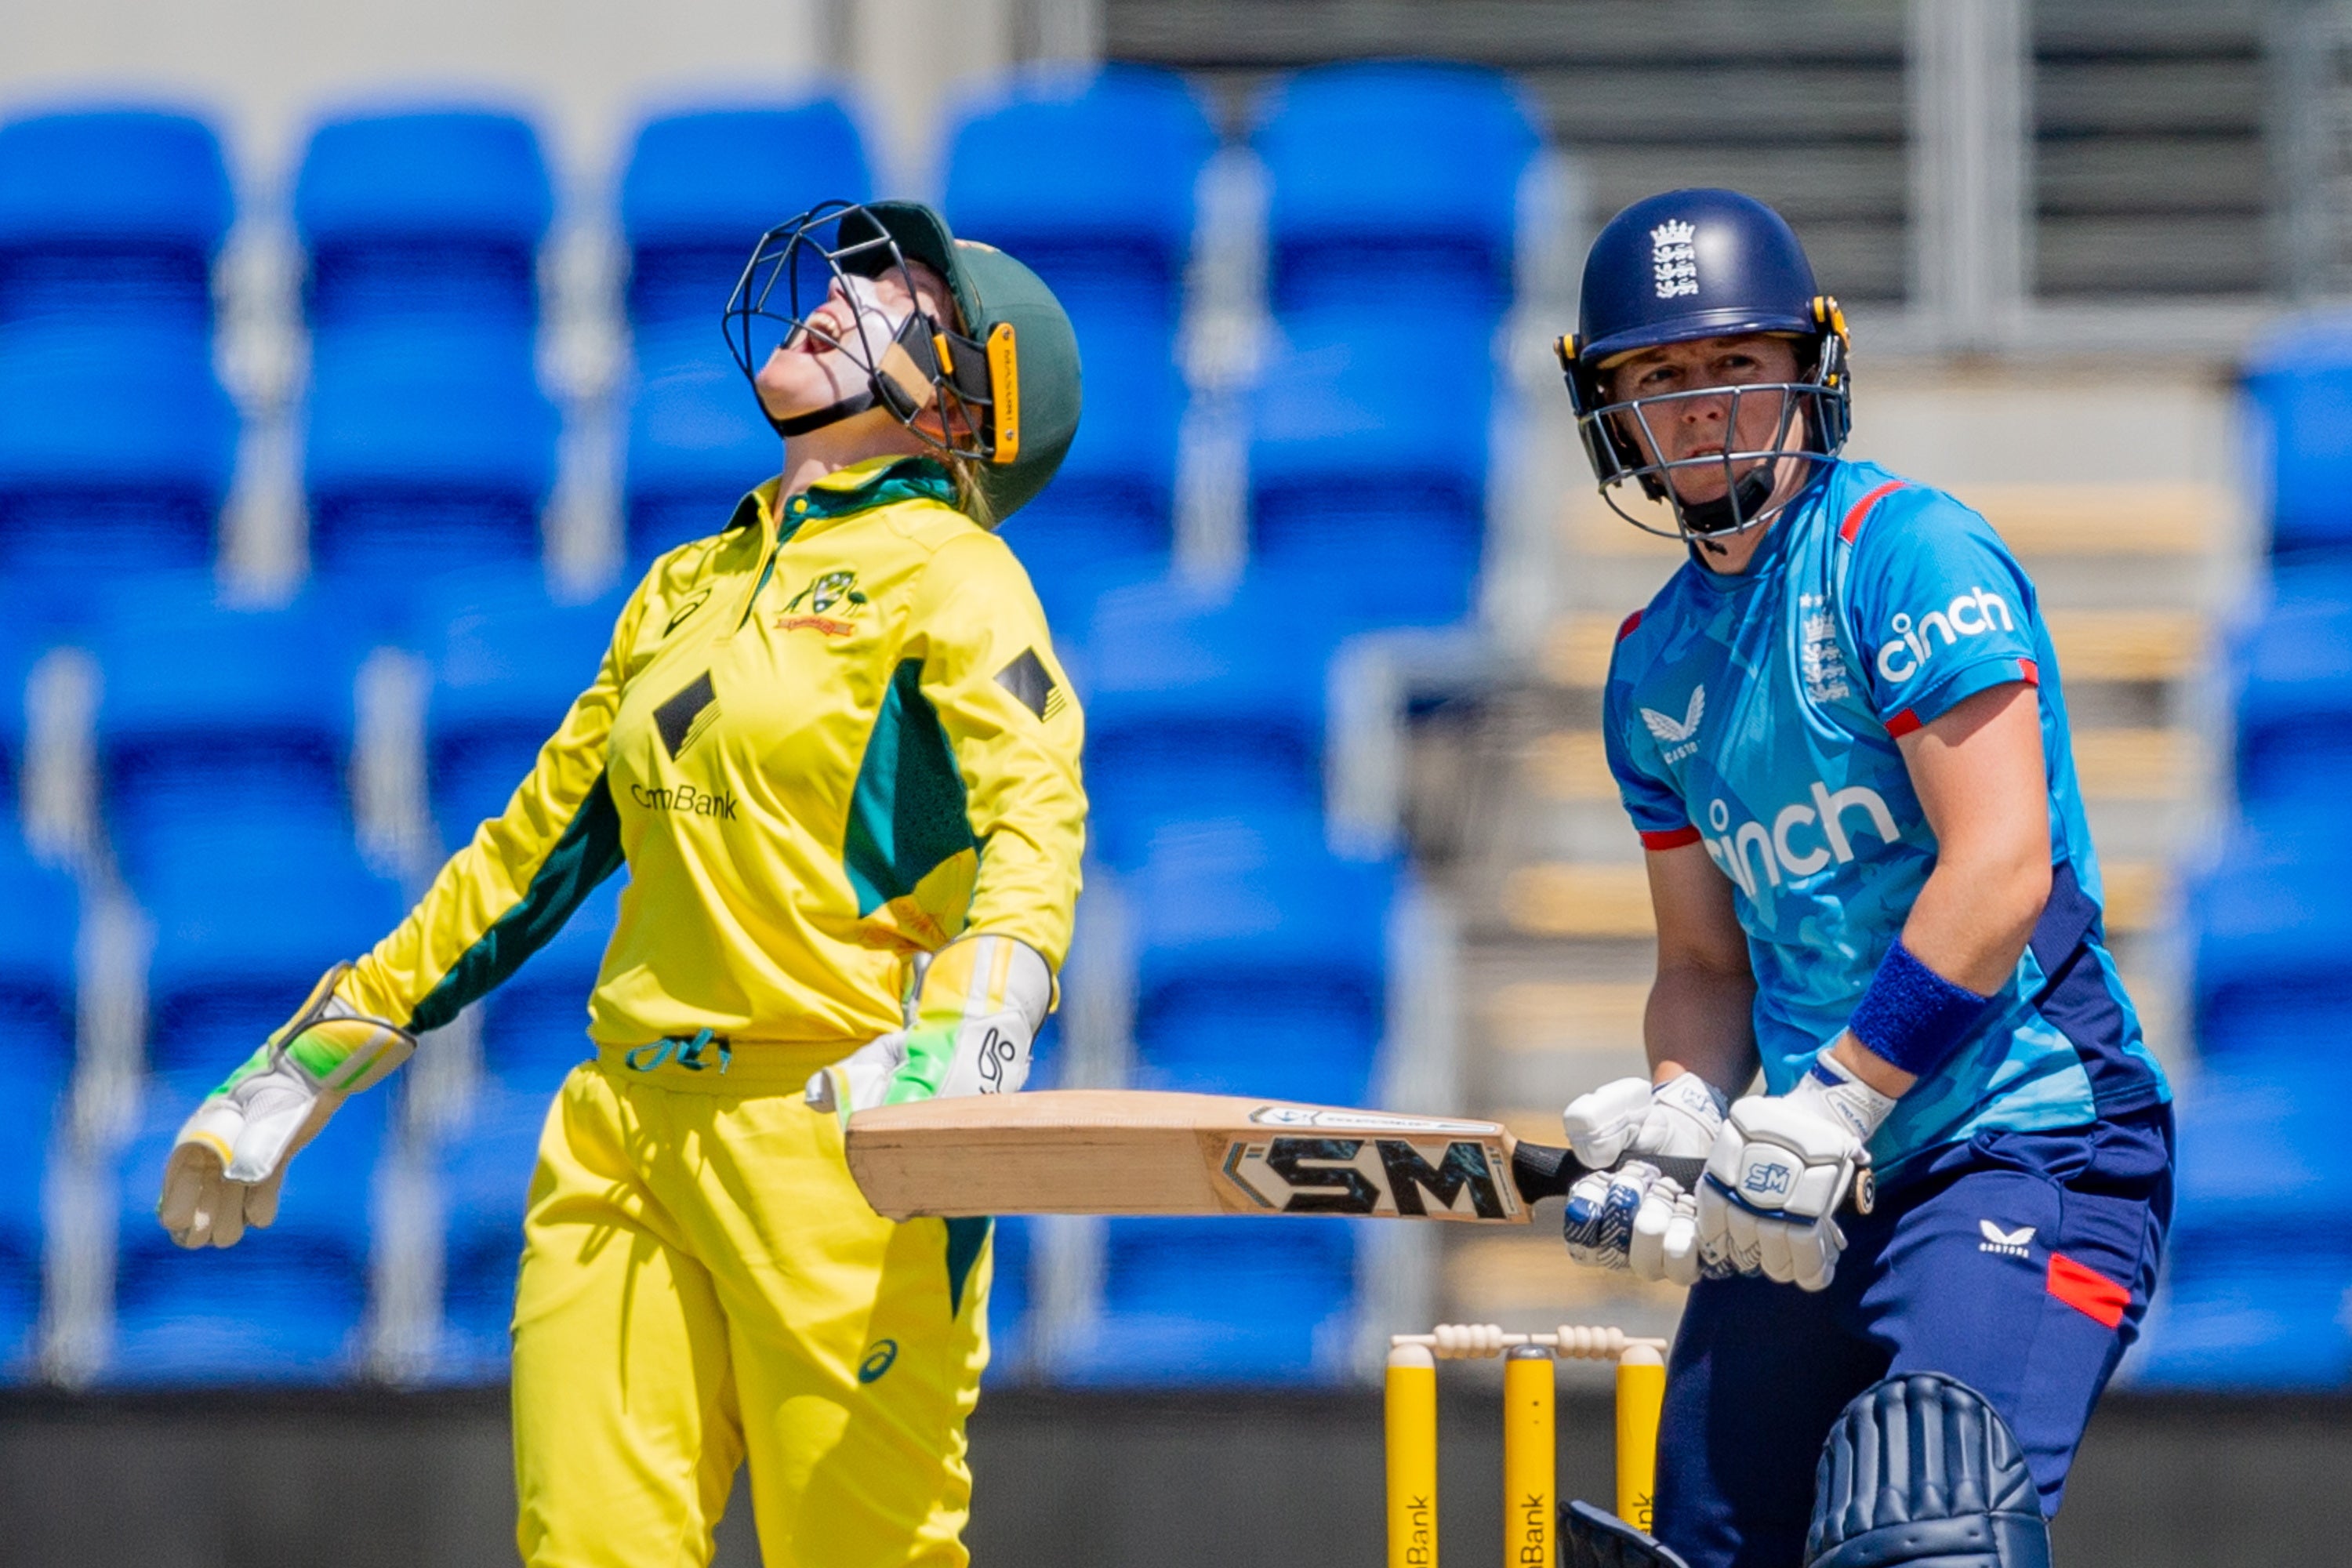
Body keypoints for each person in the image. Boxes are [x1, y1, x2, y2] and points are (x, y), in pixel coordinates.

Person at [153, 200, 1087, 1568]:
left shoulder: (960, 578)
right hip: (624, 1136)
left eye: (900, 302)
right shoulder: (683, 587)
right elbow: (527, 857)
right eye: (853, 273)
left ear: (968, 408)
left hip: (845, 1142)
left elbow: (1036, 811)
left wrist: (978, 1028)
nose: (835, 297)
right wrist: (310, 1061)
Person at [1547, 190, 2172, 1568]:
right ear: (1611, 411)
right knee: (1706, 1543)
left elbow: (2001, 866)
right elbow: (1704, 967)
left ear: (1808, 365)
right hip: (1813, 1177)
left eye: (1734, 361)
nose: (1701, 404)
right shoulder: (1651, 667)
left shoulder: (1902, 553)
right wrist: (1683, 1111)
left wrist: (1833, 1096)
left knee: (1926, 1522)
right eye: (1659, 375)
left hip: (2024, 1137)